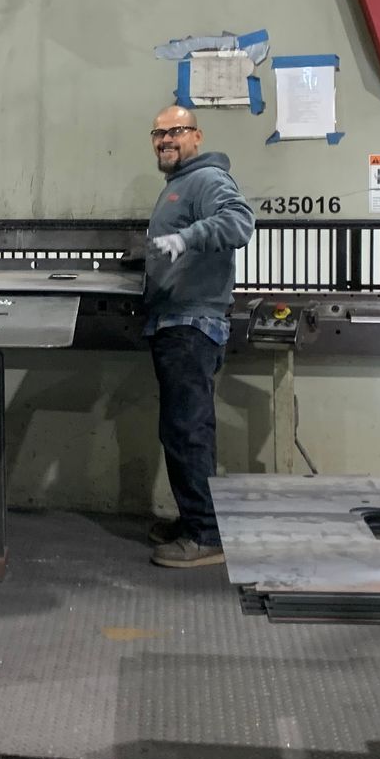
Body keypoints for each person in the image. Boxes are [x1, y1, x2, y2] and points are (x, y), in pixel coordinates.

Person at [142, 104, 255, 569]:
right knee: (181, 428)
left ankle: (205, 534)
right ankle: (195, 519)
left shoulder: (207, 180)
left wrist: (186, 239)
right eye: (158, 133)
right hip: (174, 322)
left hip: (191, 325)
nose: (166, 139)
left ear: (196, 136)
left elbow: (239, 222)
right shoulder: (178, 186)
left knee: (188, 430)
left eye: (176, 131)